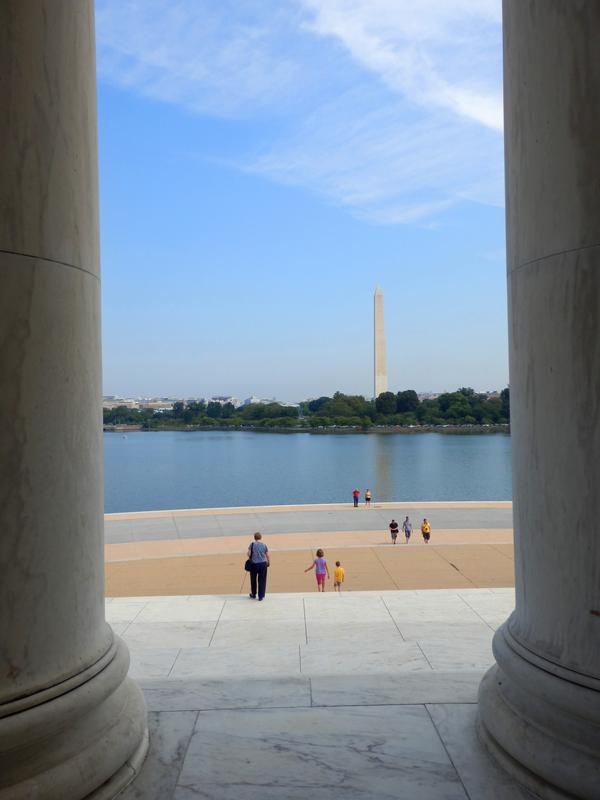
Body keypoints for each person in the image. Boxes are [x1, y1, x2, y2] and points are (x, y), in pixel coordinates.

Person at [247, 532, 270, 601]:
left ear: (254, 537)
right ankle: (261, 596)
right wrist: (268, 562)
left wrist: (252, 557)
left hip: (254, 564)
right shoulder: (264, 545)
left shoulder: (252, 544)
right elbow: (267, 555)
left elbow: (248, 554)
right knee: (262, 580)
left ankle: (253, 594)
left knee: (253, 579)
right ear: (260, 537)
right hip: (263, 564)